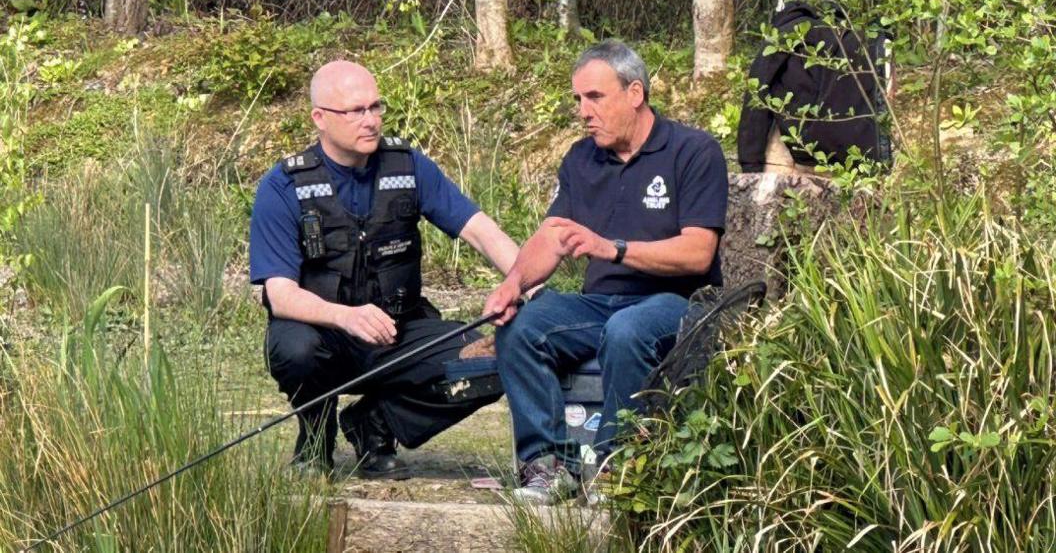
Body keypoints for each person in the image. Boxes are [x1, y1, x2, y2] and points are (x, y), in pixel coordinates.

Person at [483, 40, 728, 504]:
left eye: (594, 97)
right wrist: (513, 284)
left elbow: (698, 253)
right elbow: (551, 237)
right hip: (599, 303)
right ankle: (546, 466)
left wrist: (611, 249)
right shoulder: (581, 158)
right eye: (577, 99)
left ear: (635, 93)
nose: (583, 111)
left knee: (627, 329)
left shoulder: (694, 151)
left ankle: (620, 469)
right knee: (523, 324)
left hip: (675, 301)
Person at [250, 61, 520, 479]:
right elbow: (280, 295)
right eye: (355, 111)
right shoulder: (285, 186)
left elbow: (481, 232)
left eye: (376, 107)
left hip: (399, 330)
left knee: (499, 358)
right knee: (294, 348)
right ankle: (315, 437)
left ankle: (376, 424)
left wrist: (524, 281)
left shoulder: (407, 167)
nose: (371, 120)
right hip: (327, 334)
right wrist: (346, 316)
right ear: (319, 118)